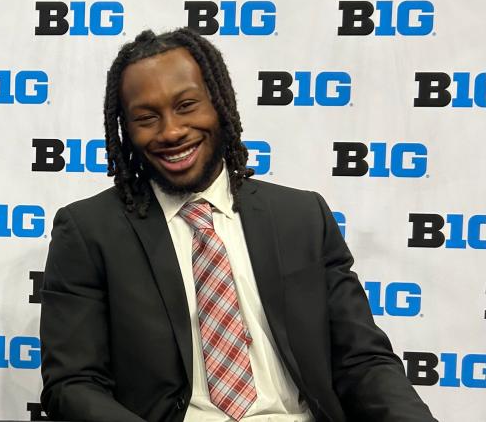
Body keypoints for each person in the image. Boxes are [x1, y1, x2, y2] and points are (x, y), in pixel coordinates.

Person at [39, 28, 436, 422]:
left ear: (220, 103)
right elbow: (73, 385)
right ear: (125, 129)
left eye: (187, 105)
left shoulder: (302, 216)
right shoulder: (89, 231)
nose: (171, 131)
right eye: (147, 118)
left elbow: (363, 360)